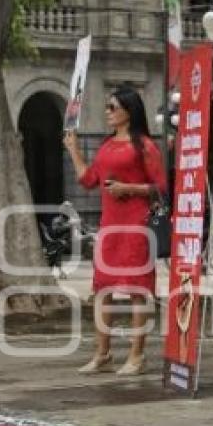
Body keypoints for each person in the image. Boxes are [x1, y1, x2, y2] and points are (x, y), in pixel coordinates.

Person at [63, 86, 167, 376]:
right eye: (107, 107)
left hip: (136, 225)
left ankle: (136, 356)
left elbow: (160, 188)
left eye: (112, 107)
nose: (107, 112)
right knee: (103, 290)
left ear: (128, 111)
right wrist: (73, 150)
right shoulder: (107, 146)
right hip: (110, 227)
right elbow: (88, 180)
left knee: (138, 291)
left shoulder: (145, 146)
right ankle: (102, 353)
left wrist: (128, 188)